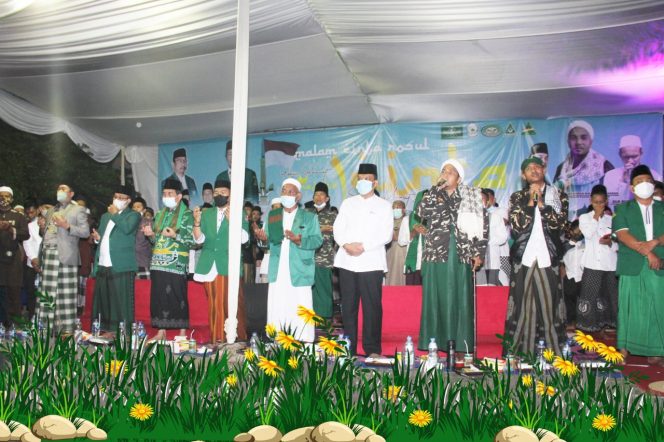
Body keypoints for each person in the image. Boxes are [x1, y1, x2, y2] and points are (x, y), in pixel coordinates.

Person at [416, 159, 488, 354]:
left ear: (459, 178)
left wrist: (479, 253)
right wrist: (434, 190)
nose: (445, 174)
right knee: (435, 296)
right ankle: (433, 340)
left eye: (450, 172)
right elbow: (421, 212)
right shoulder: (432, 193)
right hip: (435, 253)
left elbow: (482, 226)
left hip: (460, 251)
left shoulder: (471, 195)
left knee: (458, 296)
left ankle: (460, 341)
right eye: (443, 171)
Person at [504, 157, 569, 355]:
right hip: (524, 257)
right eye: (529, 168)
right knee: (522, 307)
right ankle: (519, 355)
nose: (533, 170)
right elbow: (517, 226)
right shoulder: (517, 197)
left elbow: (559, 224)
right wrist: (530, 203)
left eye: (537, 167)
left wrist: (542, 204)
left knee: (550, 306)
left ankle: (555, 355)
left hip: (547, 257)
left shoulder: (557, 194)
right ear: (523, 175)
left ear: (544, 170)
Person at [333, 163, 393, 356]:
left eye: (367, 179)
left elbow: (386, 234)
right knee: (348, 307)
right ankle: (348, 348)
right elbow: (338, 228)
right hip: (347, 261)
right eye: (360, 179)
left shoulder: (384, 206)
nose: (363, 182)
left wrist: (363, 246)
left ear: (375, 182)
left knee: (372, 307)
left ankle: (372, 349)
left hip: (371, 261)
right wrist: (345, 244)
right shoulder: (347, 203)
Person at [255, 178, 322, 342]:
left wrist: (300, 240)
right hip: (278, 268)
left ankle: (304, 340)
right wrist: (262, 239)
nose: (286, 195)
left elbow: (317, 240)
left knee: (301, 304)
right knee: (278, 303)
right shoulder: (273, 215)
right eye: (283, 191)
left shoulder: (309, 217)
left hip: (299, 268)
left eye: (290, 192)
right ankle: (277, 338)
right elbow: (266, 243)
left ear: (298, 196)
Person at [612, 165, 664, 365]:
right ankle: (623, 349)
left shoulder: (662, 208)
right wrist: (649, 253)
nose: (645, 185)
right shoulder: (622, 209)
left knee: (658, 307)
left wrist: (657, 242)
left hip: (659, 265)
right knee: (629, 307)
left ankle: (656, 350)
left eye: (648, 181)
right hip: (633, 263)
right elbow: (623, 235)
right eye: (639, 181)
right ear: (632, 188)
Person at [193, 179, 249, 343]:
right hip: (209, 264)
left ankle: (238, 338)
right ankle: (217, 339)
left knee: (232, 304)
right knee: (214, 304)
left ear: (231, 195)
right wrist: (196, 222)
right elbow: (198, 240)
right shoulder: (207, 213)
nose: (219, 196)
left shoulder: (238, 212)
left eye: (223, 193)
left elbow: (244, 239)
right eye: (216, 193)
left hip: (227, 263)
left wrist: (233, 221)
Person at [143, 179, 194, 340]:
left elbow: (191, 241)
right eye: (164, 194)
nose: (166, 197)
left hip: (176, 263)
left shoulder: (187, 215)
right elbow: (155, 241)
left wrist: (175, 235)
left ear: (178, 196)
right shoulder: (159, 214)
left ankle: (182, 332)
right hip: (158, 262)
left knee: (178, 296)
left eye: (169, 194)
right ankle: (161, 331)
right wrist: (151, 235)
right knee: (159, 296)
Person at [39, 184, 90, 333]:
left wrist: (66, 225)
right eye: (58, 189)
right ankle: (45, 329)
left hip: (66, 255)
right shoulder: (51, 210)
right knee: (47, 293)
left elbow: (85, 232)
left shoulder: (78, 210)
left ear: (71, 193)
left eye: (64, 189)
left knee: (66, 295)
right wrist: (42, 228)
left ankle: (66, 330)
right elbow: (46, 233)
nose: (60, 191)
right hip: (48, 253)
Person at [91, 185, 141, 333]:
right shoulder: (105, 216)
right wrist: (97, 239)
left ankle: (122, 333)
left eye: (121, 198)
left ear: (129, 200)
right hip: (103, 262)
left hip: (121, 264)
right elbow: (103, 237)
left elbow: (126, 228)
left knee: (120, 302)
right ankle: (104, 330)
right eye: (116, 196)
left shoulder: (133, 215)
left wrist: (115, 214)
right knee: (104, 300)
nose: (117, 200)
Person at [576, 185, 618, 333]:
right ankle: (587, 327)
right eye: (595, 202)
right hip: (592, 263)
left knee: (610, 297)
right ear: (590, 201)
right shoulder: (584, 218)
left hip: (610, 264)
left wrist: (611, 242)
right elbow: (587, 234)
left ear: (606, 201)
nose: (599, 205)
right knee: (590, 297)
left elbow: (618, 242)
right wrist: (596, 217)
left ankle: (609, 326)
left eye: (601, 202)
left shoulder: (612, 220)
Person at [553, 120, 614, 218]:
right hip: (568, 221)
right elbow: (555, 196)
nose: (578, 142)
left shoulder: (603, 165)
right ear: (568, 141)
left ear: (591, 141)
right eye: (573, 138)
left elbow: (610, 198)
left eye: (584, 138)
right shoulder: (562, 168)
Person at [603, 135, 662, 208]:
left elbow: (656, 203)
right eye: (626, 157)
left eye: (634, 156)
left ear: (641, 153)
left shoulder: (654, 176)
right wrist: (625, 181)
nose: (630, 160)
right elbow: (612, 203)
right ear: (620, 155)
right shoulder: (610, 176)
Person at [306, 182, 337, 320]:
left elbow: (338, 235)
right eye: (316, 194)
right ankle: (310, 318)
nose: (318, 197)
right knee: (308, 289)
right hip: (306, 258)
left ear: (327, 198)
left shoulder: (332, 216)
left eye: (321, 194)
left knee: (324, 288)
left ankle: (324, 318)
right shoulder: (306, 214)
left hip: (324, 257)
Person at [0, 186, 29, 326]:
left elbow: (25, 234)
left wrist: (10, 229)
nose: (3, 199)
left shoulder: (18, 216)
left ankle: (15, 324)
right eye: (1, 196)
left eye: (6, 196)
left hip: (13, 260)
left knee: (13, 291)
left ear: (11, 198)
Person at [479, 188, 510, 286]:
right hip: (478, 262)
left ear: (488, 201)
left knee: (495, 286)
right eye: (477, 199)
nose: (479, 201)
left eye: (482, 199)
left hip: (493, 258)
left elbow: (503, 237)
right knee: (480, 287)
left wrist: (486, 241)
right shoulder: (471, 219)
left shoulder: (496, 216)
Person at [398, 189, 427, 285]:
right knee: (412, 297)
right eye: (424, 201)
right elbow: (401, 241)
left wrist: (428, 234)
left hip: (430, 265)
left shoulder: (435, 220)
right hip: (413, 264)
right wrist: (413, 232)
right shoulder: (407, 220)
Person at [561, 220, 584, 330]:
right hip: (569, 277)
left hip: (581, 278)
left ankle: (579, 323)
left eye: (580, 233)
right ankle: (570, 322)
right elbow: (561, 263)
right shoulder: (565, 246)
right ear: (570, 232)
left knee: (580, 302)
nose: (578, 235)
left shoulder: (585, 246)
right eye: (576, 232)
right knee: (568, 302)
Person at [22, 202, 42, 321]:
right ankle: (31, 317)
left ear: (38, 210)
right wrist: (34, 259)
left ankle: (43, 318)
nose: (30, 214)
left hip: (46, 264)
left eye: (32, 212)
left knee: (44, 293)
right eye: (27, 212)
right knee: (31, 293)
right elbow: (27, 243)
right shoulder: (29, 226)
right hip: (32, 264)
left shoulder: (49, 223)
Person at [385, 200, 407, 286]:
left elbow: (401, 237)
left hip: (402, 251)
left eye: (398, 207)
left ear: (404, 210)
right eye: (393, 208)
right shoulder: (388, 221)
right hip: (390, 250)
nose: (395, 210)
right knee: (390, 273)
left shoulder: (407, 221)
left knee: (400, 273)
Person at [131, 197, 153, 279]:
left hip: (143, 263)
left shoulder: (148, 223)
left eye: (138, 207)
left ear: (144, 210)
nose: (135, 209)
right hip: (129, 264)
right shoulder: (128, 223)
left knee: (144, 290)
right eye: (133, 207)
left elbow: (154, 241)